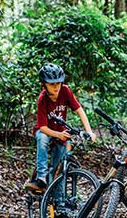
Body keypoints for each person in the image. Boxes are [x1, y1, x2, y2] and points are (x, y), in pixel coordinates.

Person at [24, 63, 96, 193]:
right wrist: (58, 134)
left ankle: (59, 206)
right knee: (42, 138)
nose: (56, 86)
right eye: (51, 84)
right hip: (46, 131)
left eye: (58, 83)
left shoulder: (65, 91)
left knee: (60, 168)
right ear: (43, 84)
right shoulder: (42, 99)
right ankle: (41, 178)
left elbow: (79, 110)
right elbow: (43, 127)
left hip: (61, 134)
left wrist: (89, 131)